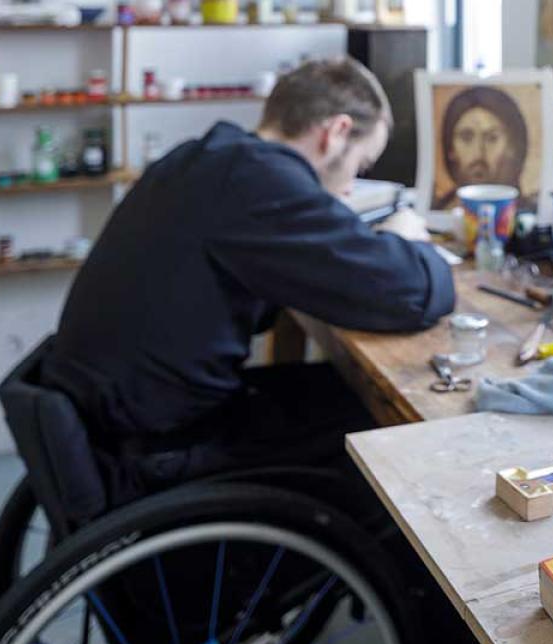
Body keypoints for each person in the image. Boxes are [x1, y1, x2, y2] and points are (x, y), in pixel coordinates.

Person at [42, 58, 454, 517]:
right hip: (163, 443)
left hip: (115, 419)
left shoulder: (204, 158)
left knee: (330, 391)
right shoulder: (260, 182)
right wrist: (405, 238)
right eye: (361, 164)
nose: (351, 186)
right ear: (335, 132)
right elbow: (411, 294)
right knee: (383, 428)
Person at [433, 85, 530, 208]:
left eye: (492, 138)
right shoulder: (438, 211)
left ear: (511, 148)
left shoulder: (530, 215)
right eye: (466, 138)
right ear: (451, 149)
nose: (478, 153)